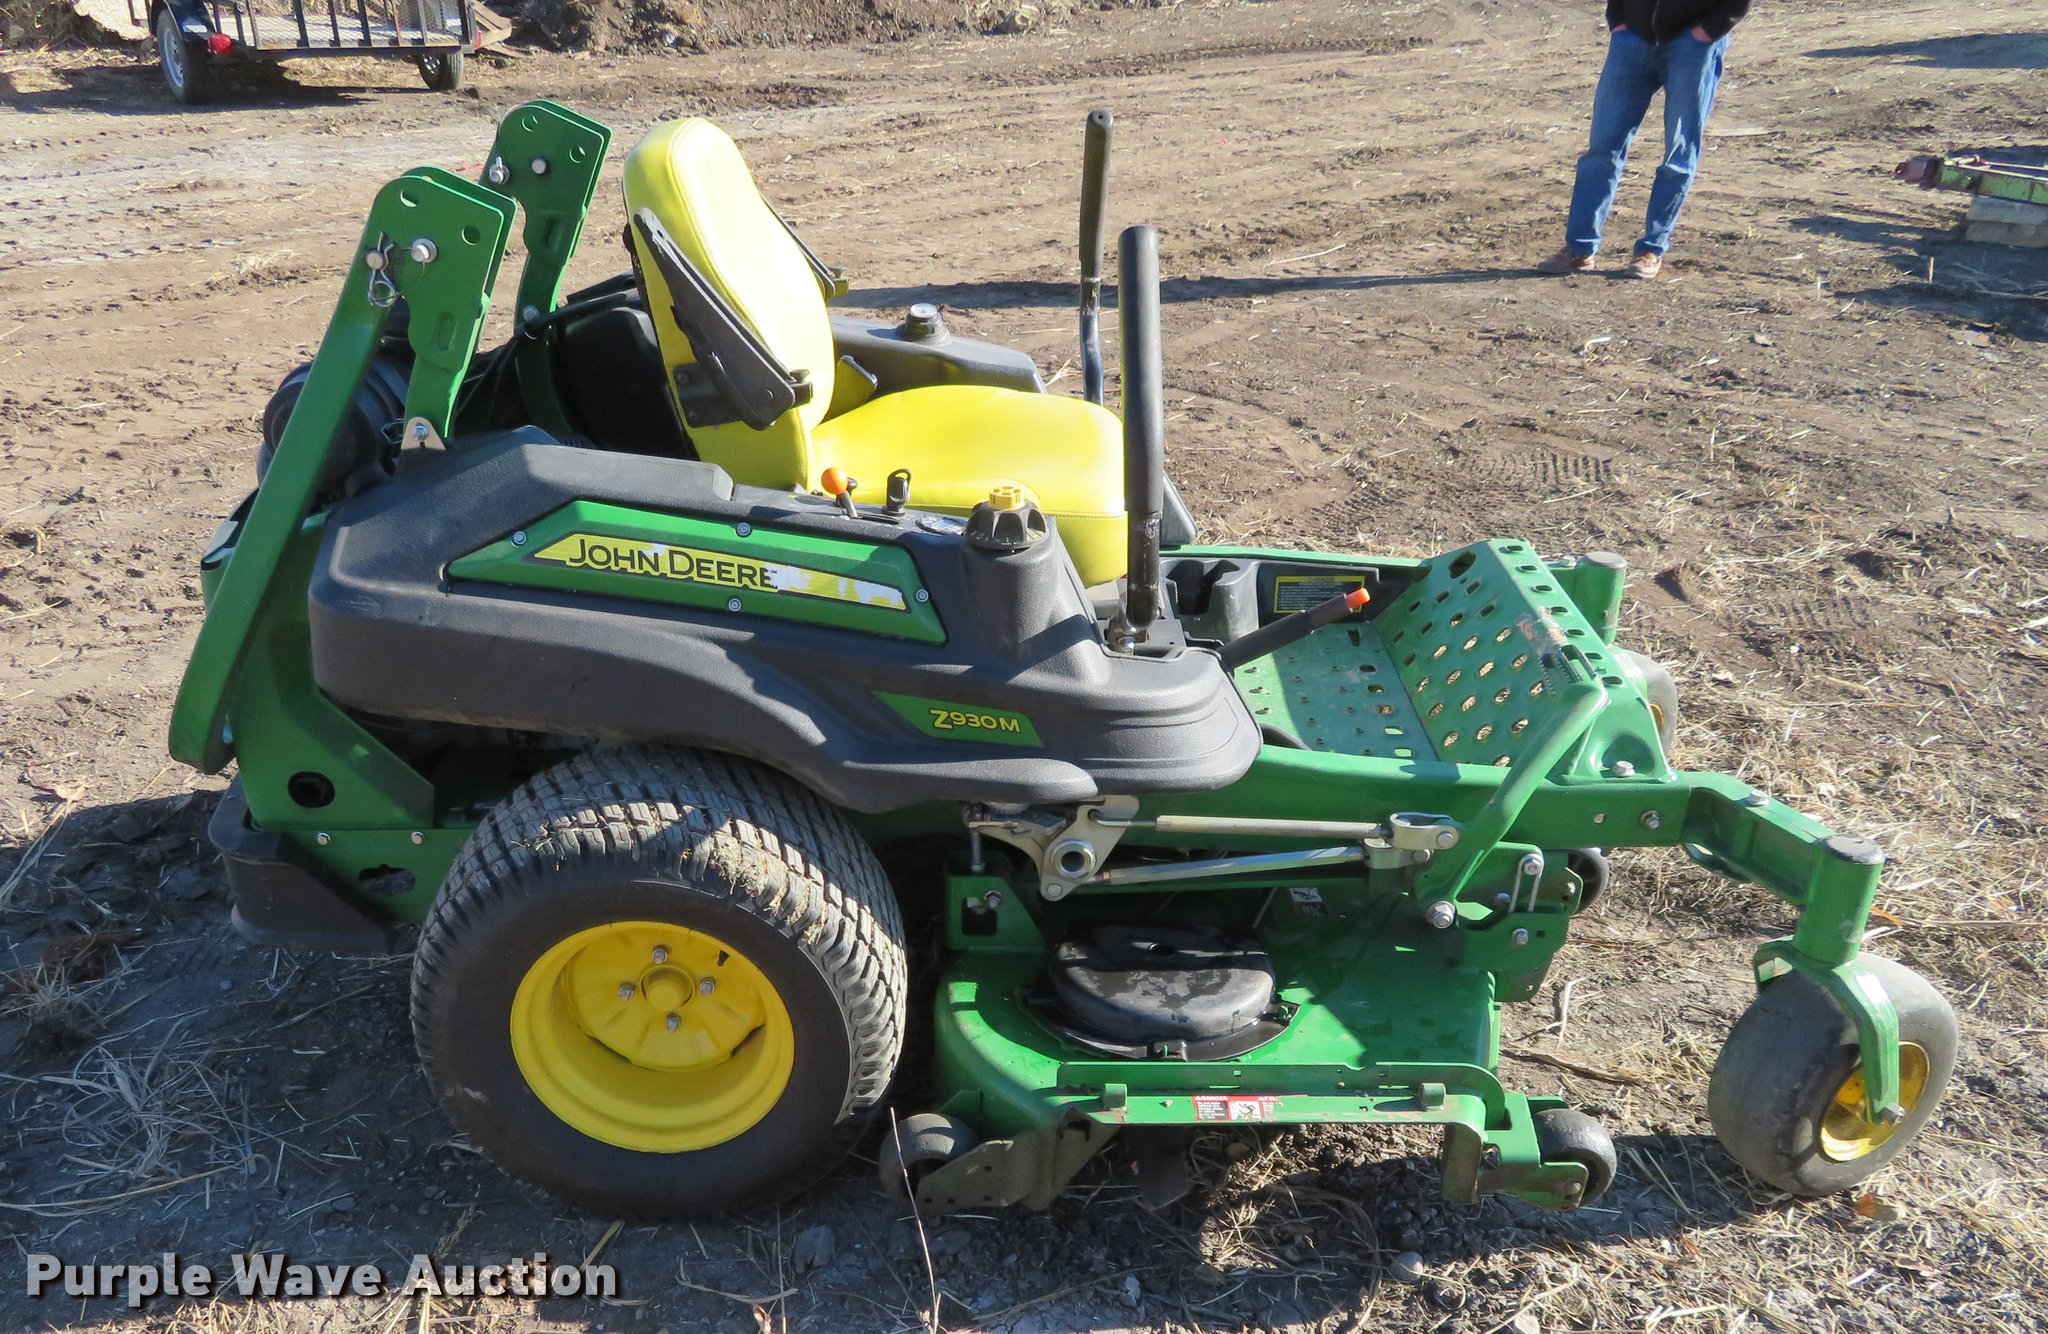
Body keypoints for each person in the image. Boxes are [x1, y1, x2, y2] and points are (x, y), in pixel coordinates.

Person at [1536, 1, 1752, 279]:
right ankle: (1579, 249)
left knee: (1678, 152)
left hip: (1694, 45)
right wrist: (1618, 21)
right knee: (1602, 148)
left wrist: (1709, 30)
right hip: (1632, 41)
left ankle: (1651, 249)